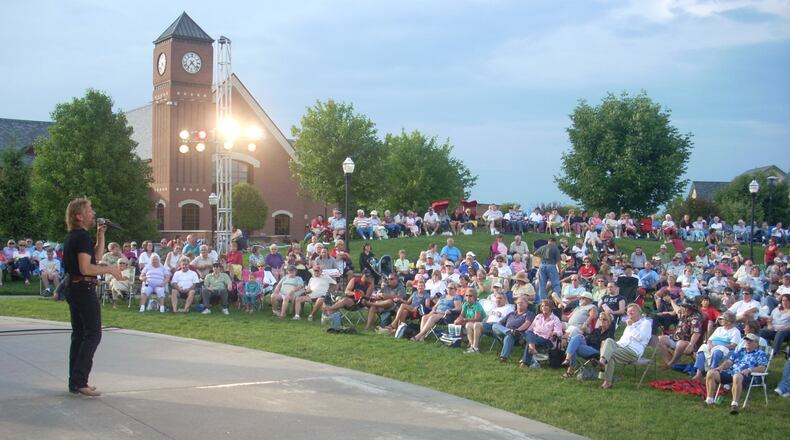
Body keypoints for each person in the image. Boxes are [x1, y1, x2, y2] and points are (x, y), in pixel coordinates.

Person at [62, 197, 125, 397]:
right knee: (92, 334)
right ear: (79, 216)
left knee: (80, 335)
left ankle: (76, 382)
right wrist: (111, 270)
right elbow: (86, 268)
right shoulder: (79, 237)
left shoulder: (78, 236)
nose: (94, 213)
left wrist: (100, 235)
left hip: (75, 287)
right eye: (89, 210)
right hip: (82, 288)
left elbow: (95, 258)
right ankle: (80, 381)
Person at [704, 333, 769, 414]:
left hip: (747, 376)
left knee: (737, 376)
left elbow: (762, 368)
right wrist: (721, 367)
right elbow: (729, 362)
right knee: (711, 373)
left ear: (756, 343)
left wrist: (749, 370)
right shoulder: (740, 351)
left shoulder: (760, 354)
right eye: (746, 340)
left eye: (750, 341)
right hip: (731, 373)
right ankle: (709, 400)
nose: (747, 342)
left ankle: (734, 405)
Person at [599, 303, 652, 389]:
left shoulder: (645, 323)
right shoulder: (629, 325)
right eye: (628, 312)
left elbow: (641, 337)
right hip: (622, 347)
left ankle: (607, 380)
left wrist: (630, 326)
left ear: (639, 312)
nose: (630, 313)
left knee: (610, 354)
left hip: (633, 351)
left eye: (632, 311)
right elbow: (623, 340)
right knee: (608, 341)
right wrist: (612, 345)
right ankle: (602, 362)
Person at [561, 310, 616, 378]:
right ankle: (567, 360)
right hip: (588, 347)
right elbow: (589, 338)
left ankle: (569, 369)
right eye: (600, 319)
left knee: (574, 347)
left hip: (596, 352)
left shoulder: (610, 334)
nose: (602, 320)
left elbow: (607, 347)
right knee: (577, 337)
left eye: (604, 319)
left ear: (609, 322)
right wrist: (584, 337)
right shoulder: (597, 330)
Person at [692, 311, 741, 381]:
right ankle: (698, 373)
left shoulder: (735, 332)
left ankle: (711, 372)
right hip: (712, 346)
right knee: (702, 349)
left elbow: (733, 345)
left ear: (729, 322)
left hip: (725, 348)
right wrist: (711, 345)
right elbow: (709, 340)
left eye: (722, 319)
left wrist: (719, 346)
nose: (720, 320)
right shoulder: (719, 329)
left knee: (717, 352)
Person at [658, 299, 703, 369]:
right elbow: (676, 309)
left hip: (687, 342)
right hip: (675, 338)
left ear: (690, 309)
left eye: (684, 307)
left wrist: (691, 345)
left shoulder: (695, 318)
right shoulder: (683, 313)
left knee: (680, 343)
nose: (682, 309)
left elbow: (696, 333)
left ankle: (670, 364)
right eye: (682, 307)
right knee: (660, 339)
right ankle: (670, 363)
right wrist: (671, 301)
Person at [519, 299, 563, 368]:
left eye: (546, 306)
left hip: (545, 339)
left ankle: (525, 361)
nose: (544, 307)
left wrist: (554, 332)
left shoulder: (555, 319)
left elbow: (560, 332)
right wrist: (528, 334)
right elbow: (530, 328)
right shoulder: (538, 316)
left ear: (551, 308)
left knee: (530, 340)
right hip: (534, 336)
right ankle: (531, 347)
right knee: (529, 333)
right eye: (542, 306)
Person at [495, 296, 535, 362]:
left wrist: (517, 330)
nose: (519, 304)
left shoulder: (529, 314)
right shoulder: (511, 313)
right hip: (505, 332)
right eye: (518, 303)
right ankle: (509, 331)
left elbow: (527, 323)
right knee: (495, 325)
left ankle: (503, 358)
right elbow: (500, 323)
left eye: (522, 303)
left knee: (509, 336)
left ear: (527, 304)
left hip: (518, 336)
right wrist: (505, 330)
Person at [454, 288, 487, 353]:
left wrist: (465, 320)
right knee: (457, 322)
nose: (468, 297)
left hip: (480, 323)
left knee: (468, 324)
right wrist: (458, 319)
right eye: (466, 295)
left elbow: (477, 319)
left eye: (470, 295)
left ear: (474, 297)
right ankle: (469, 344)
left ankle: (473, 346)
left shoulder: (477, 305)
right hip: (469, 321)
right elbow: (462, 315)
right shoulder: (465, 304)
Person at [535, 237, 562, 303]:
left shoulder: (543, 247)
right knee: (555, 284)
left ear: (548, 241)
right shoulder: (555, 248)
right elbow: (558, 261)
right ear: (554, 242)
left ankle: (542, 301)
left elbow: (535, 253)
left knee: (542, 284)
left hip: (542, 266)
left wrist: (537, 264)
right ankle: (557, 300)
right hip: (551, 265)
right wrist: (560, 270)